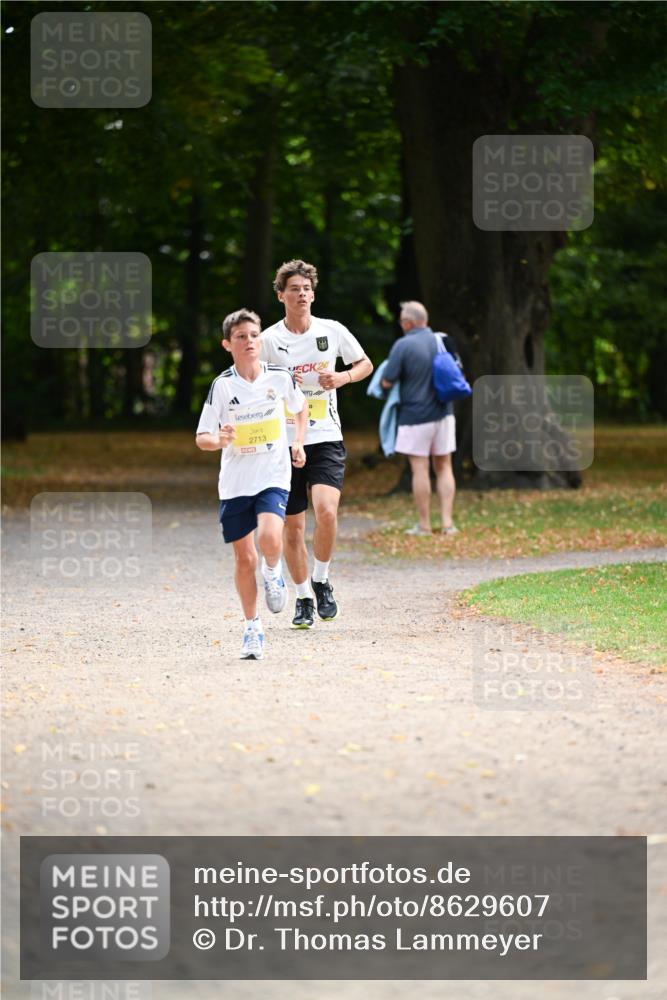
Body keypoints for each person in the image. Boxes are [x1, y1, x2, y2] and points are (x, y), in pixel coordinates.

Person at [261, 259, 373, 628]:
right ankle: (303, 598)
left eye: (307, 289)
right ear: (282, 296)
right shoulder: (269, 341)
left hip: (326, 435)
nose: (303, 295)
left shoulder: (332, 330)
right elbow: (252, 383)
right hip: (286, 441)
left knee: (326, 512)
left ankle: (321, 579)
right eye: (295, 289)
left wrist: (342, 378)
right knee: (293, 527)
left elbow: (365, 365)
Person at [196, 308, 307, 660]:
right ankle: (252, 628)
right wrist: (221, 440)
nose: (249, 342)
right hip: (235, 483)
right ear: (227, 344)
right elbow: (202, 438)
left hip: (273, 474)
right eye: (241, 337)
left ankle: (273, 571)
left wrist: (298, 441)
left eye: (254, 335)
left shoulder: (279, 378)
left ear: (262, 340)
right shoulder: (223, 386)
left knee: (271, 538)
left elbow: (300, 409)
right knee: (244, 559)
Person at [381, 300, 461, 536]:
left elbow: (387, 380)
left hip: (414, 416)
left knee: (420, 469)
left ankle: (424, 525)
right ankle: (448, 524)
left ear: (407, 323)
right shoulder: (444, 340)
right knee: (444, 466)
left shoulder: (402, 346)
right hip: (444, 413)